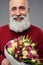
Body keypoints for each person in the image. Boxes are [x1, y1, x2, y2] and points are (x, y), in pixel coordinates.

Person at [0, 0, 43, 65]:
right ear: (9, 12)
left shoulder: (38, 33)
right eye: (14, 9)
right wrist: (2, 60)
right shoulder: (1, 31)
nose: (18, 13)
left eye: (22, 8)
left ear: (28, 10)